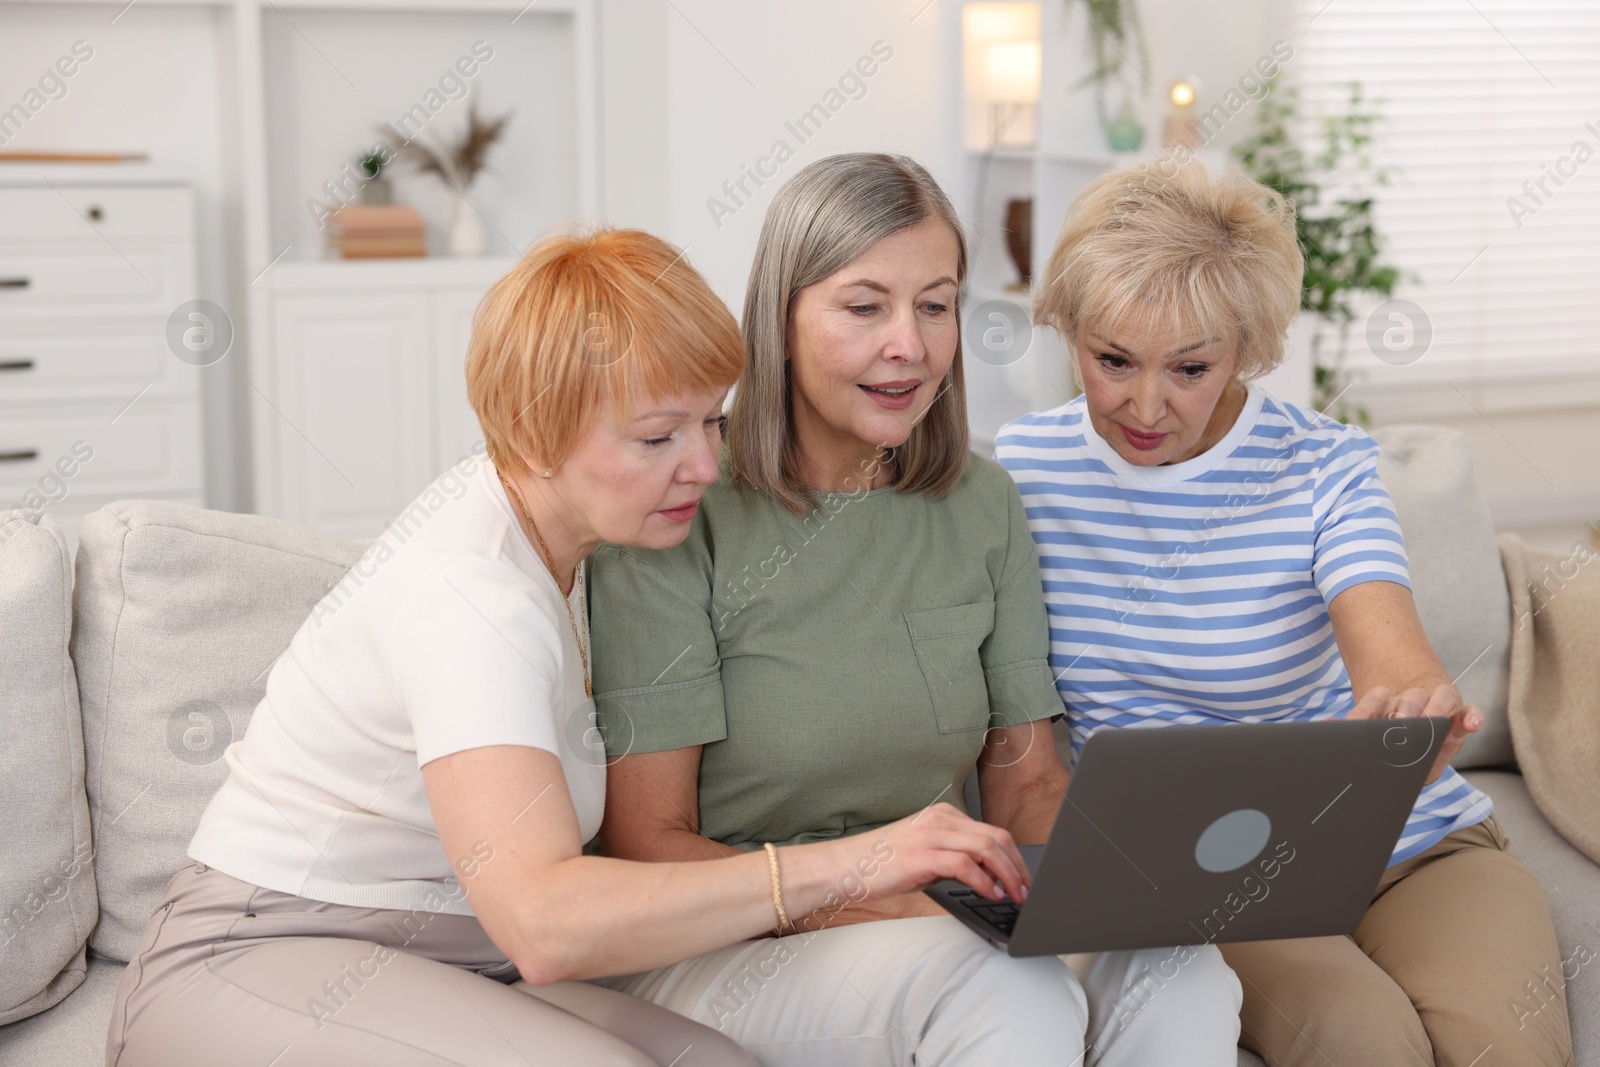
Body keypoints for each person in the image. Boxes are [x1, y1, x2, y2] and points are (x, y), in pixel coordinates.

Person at [106, 229, 1037, 1067]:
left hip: (460, 959)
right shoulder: (472, 598)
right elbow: (545, 922)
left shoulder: (565, 545)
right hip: (260, 956)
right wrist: (859, 861)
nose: (706, 468)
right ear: (529, 435)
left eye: (710, 421)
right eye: (655, 437)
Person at [586, 153, 1243, 1067]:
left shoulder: (982, 505)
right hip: (726, 941)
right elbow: (647, 842)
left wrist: (1113, 887)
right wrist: (881, 896)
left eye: (935, 305)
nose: (911, 344)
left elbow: (1027, 785)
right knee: (1007, 988)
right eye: (865, 307)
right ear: (780, 319)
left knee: (1187, 971)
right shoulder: (683, 503)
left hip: (933, 917)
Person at [996, 158, 1573, 1067]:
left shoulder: (1326, 466)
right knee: (1362, 1040)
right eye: (1112, 360)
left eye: (1191, 367)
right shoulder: (1019, 477)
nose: (1146, 405)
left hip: (1415, 846)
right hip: (1207, 876)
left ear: (1249, 350)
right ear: (1068, 329)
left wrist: (1412, 705)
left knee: (1508, 1048)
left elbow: (1390, 652)